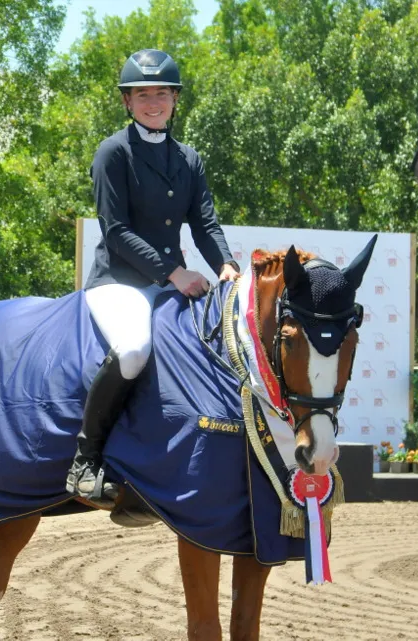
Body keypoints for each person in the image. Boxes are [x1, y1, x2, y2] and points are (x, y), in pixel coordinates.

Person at [66, 49, 241, 505]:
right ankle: (85, 459)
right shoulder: (113, 152)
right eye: (142, 94)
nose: (153, 102)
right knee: (134, 351)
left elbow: (204, 222)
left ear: (175, 99)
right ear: (127, 102)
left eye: (161, 93)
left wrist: (226, 263)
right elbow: (116, 231)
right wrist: (176, 274)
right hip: (119, 282)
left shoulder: (188, 158)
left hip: (166, 283)